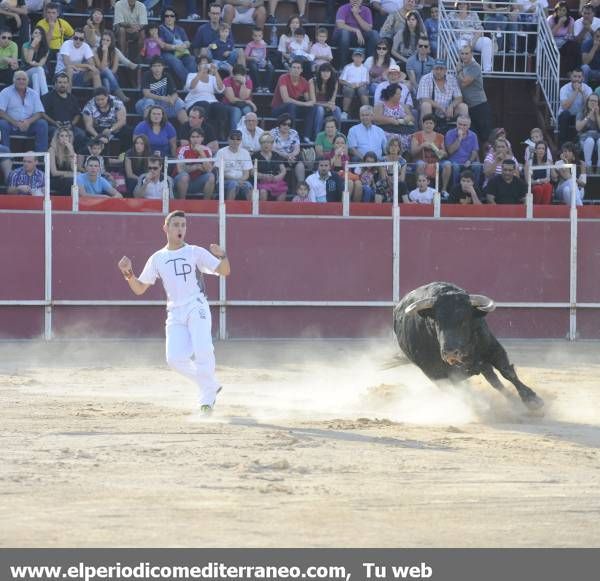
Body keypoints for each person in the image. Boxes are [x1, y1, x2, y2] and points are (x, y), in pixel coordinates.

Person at [117, 210, 230, 414]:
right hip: (175, 311)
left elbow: (224, 271)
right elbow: (140, 288)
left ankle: (206, 400)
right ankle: (210, 384)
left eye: (183, 225)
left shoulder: (195, 251)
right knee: (174, 359)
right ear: (166, 228)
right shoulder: (157, 258)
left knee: (203, 348)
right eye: (176, 225)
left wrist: (222, 255)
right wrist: (127, 273)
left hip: (196, 305)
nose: (180, 229)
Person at [0, 70, 49, 153]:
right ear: (13, 80)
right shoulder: (5, 92)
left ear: (28, 81)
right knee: (2, 123)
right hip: (11, 125)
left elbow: (39, 113)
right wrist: (16, 123)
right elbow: (1, 112)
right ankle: (6, 157)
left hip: (29, 126)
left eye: (24, 79)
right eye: (18, 79)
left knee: (42, 124)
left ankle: (41, 158)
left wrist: (28, 122)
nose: (21, 81)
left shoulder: (33, 94)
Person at [271, 59, 316, 142]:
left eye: (298, 68)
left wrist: (312, 87)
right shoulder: (283, 78)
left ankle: (306, 136)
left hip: (292, 108)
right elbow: (286, 99)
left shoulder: (304, 81)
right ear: (290, 69)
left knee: (311, 108)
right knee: (291, 105)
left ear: (301, 70)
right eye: (294, 67)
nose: (296, 70)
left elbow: (309, 101)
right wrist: (304, 104)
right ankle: (292, 135)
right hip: (278, 108)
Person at [184, 60, 230, 141]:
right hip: (195, 102)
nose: (205, 66)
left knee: (220, 107)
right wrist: (201, 72)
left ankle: (221, 133)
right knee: (205, 104)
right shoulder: (192, 75)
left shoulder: (212, 78)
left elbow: (221, 88)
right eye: (202, 64)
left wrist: (216, 72)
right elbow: (191, 86)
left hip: (211, 101)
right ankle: (204, 132)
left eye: (206, 64)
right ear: (198, 67)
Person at [455, 45, 492, 143]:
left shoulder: (475, 66)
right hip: (469, 107)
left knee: (486, 137)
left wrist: (458, 70)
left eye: (466, 53)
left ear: (471, 54)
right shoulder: (463, 67)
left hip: (480, 106)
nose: (464, 56)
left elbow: (464, 82)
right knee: (473, 137)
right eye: (462, 53)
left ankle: (487, 158)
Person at [136, 56, 188, 125]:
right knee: (149, 101)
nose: (157, 68)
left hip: (163, 105)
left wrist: (172, 100)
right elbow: (146, 94)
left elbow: (175, 94)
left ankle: (187, 128)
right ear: (151, 68)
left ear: (163, 67)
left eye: (159, 66)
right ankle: (147, 128)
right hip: (144, 104)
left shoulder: (167, 76)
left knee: (179, 102)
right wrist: (162, 98)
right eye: (154, 66)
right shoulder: (147, 75)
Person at [417, 59, 468, 125]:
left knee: (463, 106)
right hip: (433, 112)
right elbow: (424, 99)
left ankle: (463, 132)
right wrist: (441, 108)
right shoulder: (425, 78)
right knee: (425, 105)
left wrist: (451, 106)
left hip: (449, 112)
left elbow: (459, 98)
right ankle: (426, 132)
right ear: (432, 69)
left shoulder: (451, 79)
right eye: (436, 69)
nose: (438, 71)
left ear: (446, 70)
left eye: (441, 69)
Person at [41, 72, 85, 147]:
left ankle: (72, 154)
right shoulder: (47, 97)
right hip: (53, 126)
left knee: (81, 134)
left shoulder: (73, 98)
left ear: (68, 84)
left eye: (65, 82)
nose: (62, 85)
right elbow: (42, 113)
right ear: (55, 84)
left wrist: (71, 124)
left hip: (69, 126)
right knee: (59, 134)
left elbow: (77, 114)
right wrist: (54, 123)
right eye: (60, 82)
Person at [451, 1, 493, 73]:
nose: (462, 5)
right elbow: (449, 28)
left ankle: (487, 70)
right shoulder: (452, 14)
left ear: (467, 5)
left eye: (464, 3)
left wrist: (473, 41)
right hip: (460, 38)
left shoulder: (473, 14)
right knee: (462, 46)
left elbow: (480, 28)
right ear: (457, 5)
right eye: (460, 3)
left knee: (487, 41)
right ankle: (475, 69)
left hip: (473, 37)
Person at [334, 0, 379, 66]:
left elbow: (368, 29)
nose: (355, 0)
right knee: (345, 33)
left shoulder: (366, 10)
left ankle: (369, 65)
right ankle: (343, 66)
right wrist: (356, 30)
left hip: (360, 38)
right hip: (343, 37)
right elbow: (340, 25)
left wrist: (356, 14)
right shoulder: (343, 8)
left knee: (374, 34)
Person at [410, 113, 451, 187]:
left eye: (431, 123)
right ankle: (419, 187)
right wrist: (422, 145)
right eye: (426, 123)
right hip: (420, 160)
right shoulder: (416, 135)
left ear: (434, 125)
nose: (428, 125)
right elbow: (412, 153)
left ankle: (444, 190)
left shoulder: (440, 136)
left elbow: (445, 154)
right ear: (423, 124)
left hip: (436, 162)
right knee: (421, 164)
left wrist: (442, 152)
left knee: (447, 164)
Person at [174, 128, 215, 200]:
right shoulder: (182, 149)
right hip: (180, 181)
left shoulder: (207, 150)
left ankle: (207, 204)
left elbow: (209, 169)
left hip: (198, 182)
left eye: (198, 137)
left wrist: (202, 153)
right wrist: (196, 166)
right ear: (190, 138)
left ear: (202, 138)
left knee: (211, 176)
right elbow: (180, 170)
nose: (195, 139)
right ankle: (181, 203)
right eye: (193, 137)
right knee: (184, 176)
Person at [159, 8, 194, 86]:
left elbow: (187, 42)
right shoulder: (160, 29)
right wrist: (175, 47)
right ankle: (190, 85)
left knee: (191, 59)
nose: (169, 18)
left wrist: (184, 45)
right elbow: (162, 45)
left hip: (181, 52)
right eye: (166, 16)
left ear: (175, 18)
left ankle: (193, 83)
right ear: (163, 17)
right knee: (176, 62)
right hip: (166, 53)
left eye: (172, 16)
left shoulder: (180, 29)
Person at [214, 129, 253, 200]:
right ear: (228, 139)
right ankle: (229, 208)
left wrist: (240, 180)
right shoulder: (221, 152)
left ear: (241, 141)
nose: (235, 141)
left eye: (238, 139)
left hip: (241, 180)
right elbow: (220, 173)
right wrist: (236, 181)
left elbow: (246, 173)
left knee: (248, 185)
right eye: (232, 139)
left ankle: (251, 209)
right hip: (224, 181)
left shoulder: (245, 153)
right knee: (233, 184)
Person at [445, 115, 481, 190]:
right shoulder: (450, 133)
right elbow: (450, 151)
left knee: (477, 165)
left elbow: (474, 151)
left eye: (464, 125)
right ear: (456, 123)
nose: (461, 127)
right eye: (460, 124)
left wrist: (469, 161)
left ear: (469, 126)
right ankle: (455, 190)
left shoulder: (473, 135)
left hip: (468, 161)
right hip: (454, 161)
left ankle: (475, 189)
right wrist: (459, 138)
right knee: (455, 167)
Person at [94, 30, 131, 103]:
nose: (105, 42)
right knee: (106, 71)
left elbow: (114, 70)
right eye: (103, 39)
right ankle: (120, 94)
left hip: (112, 76)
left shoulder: (115, 52)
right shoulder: (95, 51)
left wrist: (108, 72)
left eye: (108, 40)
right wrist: (105, 52)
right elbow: (101, 68)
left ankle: (107, 100)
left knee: (106, 80)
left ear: (111, 42)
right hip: (98, 76)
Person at [558, 68, 592, 144]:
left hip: (579, 116)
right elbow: (565, 107)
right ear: (571, 77)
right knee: (565, 114)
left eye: (579, 77)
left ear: (583, 78)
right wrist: (576, 91)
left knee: (586, 115)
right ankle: (563, 144)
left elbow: (590, 106)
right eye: (575, 76)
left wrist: (582, 93)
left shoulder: (588, 89)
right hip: (567, 116)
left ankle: (579, 143)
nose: (577, 79)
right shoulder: (564, 88)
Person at [253, 132, 288, 201]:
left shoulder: (276, 155)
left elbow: (283, 170)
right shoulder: (255, 156)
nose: (266, 144)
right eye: (263, 142)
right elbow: (252, 172)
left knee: (283, 192)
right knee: (263, 191)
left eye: (269, 142)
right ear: (260, 144)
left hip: (275, 180)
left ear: (272, 144)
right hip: (262, 181)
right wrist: (263, 176)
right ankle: (262, 210)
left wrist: (278, 177)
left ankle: (277, 211)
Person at [223, 64, 256, 132]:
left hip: (244, 105)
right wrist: (247, 102)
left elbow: (243, 97)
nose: (239, 80)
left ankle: (248, 134)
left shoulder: (248, 81)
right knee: (236, 111)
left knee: (247, 111)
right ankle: (234, 135)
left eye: (242, 76)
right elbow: (231, 100)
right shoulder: (227, 80)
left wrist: (243, 84)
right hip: (229, 104)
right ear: (233, 76)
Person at [311, 63, 342, 133]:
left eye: (328, 71)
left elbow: (332, 101)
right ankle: (317, 135)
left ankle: (337, 134)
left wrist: (330, 105)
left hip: (327, 106)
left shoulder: (335, 82)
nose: (326, 73)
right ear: (319, 72)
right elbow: (313, 102)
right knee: (320, 110)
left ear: (331, 73)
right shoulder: (313, 81)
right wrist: (327, 105)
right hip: (314, 107)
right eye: (323, 71)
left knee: (337, 109)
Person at [245, 26, 274, 93]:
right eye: (255, 36)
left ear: (262, 36)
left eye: (259, 36)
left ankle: (266, 87)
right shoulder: (250, 45)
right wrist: (253, 58)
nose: (257, 38)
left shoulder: (263, 45)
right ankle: (258, 87)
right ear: (252, 36)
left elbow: (264, 55)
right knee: (253, 67)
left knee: (271, 67)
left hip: (261, 61)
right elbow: (246, 56)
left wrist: (264, 61)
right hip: (252, 61)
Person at [22, 27, 49, 96]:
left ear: (43, 36)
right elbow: (28, 60)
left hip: (38, 73)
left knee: (36, 76)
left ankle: (36, 100)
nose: (38, 35)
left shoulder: (46, 48)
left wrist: (34, 64)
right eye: (36, 33)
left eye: (40, 33)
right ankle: (46, 96)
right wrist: (33, 45)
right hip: (25, 72)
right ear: (32, 35)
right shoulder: (26, 45)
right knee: (39, 69)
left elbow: (41, 64)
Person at [575, 92, 600, 169]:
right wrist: (588, 115)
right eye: (591, 100)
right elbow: (578, 128)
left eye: (595, 101)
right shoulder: (581, 112)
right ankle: (588, 167)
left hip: (598, 139)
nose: (593, 102)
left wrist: (597, 115)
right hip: (584, 140)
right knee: (590, 141)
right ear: (587, 102)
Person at [49, 127, 76, 195]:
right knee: (70, 181)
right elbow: (54, 172)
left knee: (78, 180)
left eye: (66, 136)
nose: (64, 138)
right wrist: (69, 174)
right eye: (62, 136)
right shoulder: (52, 150)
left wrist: (71, 151)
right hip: (54, 179)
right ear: (57, 138)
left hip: (67, 178)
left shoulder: (70, 150)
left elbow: (74, 169)